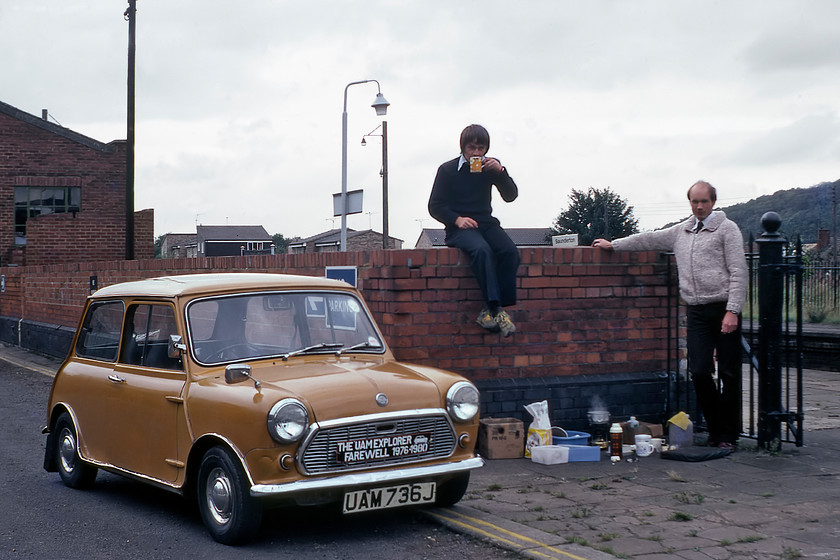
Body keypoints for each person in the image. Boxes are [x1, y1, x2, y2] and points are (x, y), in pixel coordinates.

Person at [592, 181, 748, 449]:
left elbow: (739, 271)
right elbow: (648, 239)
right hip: (696, 310)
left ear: (713, 202)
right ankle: (715, 429)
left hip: (723, 308)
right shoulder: (682, 231)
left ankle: (728, 436)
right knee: (699, 371)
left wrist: (732, 310)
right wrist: (613, 245)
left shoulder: (727, 229)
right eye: (694, 201)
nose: (699, 206)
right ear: (690, 202)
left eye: (704, 202)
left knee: (730, 374)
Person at [428, 124, 520, 337]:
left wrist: (501, 172)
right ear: (463, 148)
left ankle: (489, 311)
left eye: (481, 148)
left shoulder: (490, 168)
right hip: (459, 228)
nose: (477, 153)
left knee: (509, 252)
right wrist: (457, 219)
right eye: (472, 148)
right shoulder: (448, 170)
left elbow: (511, 196)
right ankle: (496, 308)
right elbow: (435, 205)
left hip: (486, 223)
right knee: (482, 251)